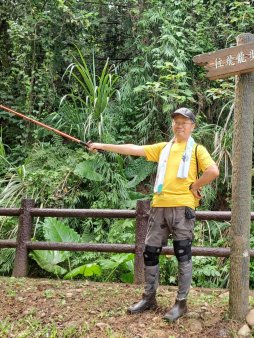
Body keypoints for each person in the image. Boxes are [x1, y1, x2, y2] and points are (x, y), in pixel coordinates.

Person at [87, 107, 220, 322]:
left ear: (193, 126)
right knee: (149, 251)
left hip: (182, 208)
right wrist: (102, 146)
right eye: (176, 121)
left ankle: (181, 303)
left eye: (184, 122)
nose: (179, 125)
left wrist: (195, 186)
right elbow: (134, 149)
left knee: (182, 254)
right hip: (158, 206)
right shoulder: (163, 148)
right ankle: (149, 298)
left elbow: (213, 171)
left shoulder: (197, 150)